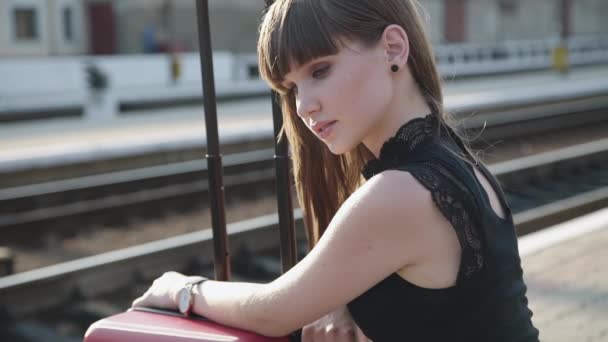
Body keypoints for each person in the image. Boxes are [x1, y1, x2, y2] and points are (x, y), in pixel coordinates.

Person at [132, 0, 540, 341]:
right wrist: (348, 301)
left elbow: (275, 311)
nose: (304, 106)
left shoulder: (402, 192)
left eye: (320, 70)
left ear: (394, 49)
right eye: (291, 88)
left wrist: (182, 289)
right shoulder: (458, 164)